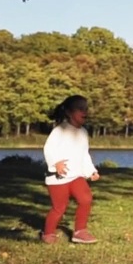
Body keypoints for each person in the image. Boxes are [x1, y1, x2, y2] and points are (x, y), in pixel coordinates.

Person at [42, 95, 100, 244]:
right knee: (59, 208)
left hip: (76, 176)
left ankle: (80, 231)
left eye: (86, 109)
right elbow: (48, 149)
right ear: (69, 112)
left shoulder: (83, 132)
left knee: (86, 199)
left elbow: (84, 154)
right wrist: (56, 164)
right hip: (58, 177)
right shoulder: (60, 130)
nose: (84, 112)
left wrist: (90, 171)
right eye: (80, 109)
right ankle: (48, 233)